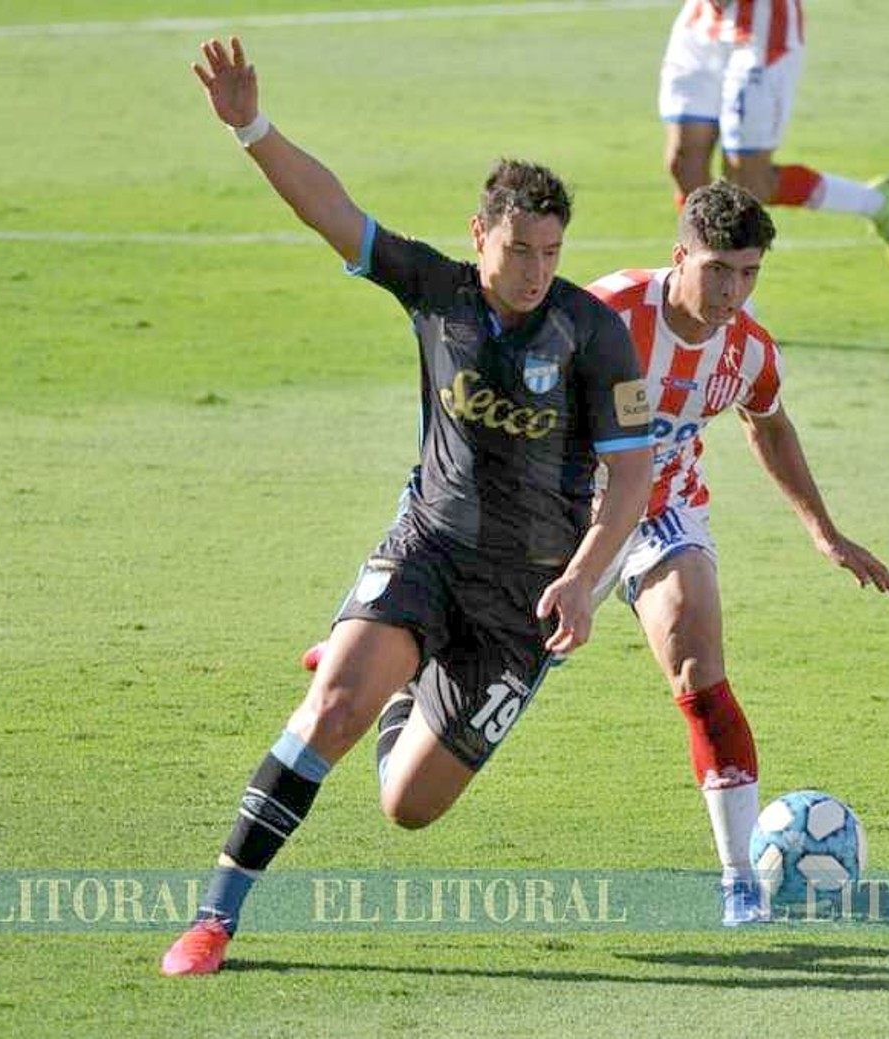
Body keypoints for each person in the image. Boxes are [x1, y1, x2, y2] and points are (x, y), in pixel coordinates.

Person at [163, 37, 653, 977]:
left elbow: (630, 481)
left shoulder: (592, 334)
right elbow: (332, 212)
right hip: (428, 548)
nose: (536, 269)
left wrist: (583, 582)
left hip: (527, 596)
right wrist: (251, 128)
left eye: (551, 253)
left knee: (409, 804)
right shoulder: (437, 290)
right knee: (329, 709)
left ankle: (402, 674)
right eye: (519, 249)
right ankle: (214, 917)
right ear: (481, 234)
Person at [364, 181, 889, 928]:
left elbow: (769, 424)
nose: (732, 291)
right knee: (458, 705)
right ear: (681, 256)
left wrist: (823, 530)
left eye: (749, 274)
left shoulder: (747, 350)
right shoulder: (603, 315)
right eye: (718, 270)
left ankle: (741, 881)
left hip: (663, 510)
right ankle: (399, 667)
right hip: (557, 518)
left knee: (697, 657)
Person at [659, 0, 889, 278]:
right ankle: (704, 278)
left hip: (763, 28)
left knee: (749, 183)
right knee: (683, 163)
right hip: (703, 20)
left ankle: (876, 203)